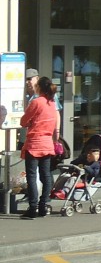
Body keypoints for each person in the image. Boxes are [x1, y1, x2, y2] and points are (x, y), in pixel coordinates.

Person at [20, 76, 58, 219]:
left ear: (39, 88)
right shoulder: (51, 103)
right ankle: (44, 205)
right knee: (46, 175)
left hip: (34, 143)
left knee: (31, 176)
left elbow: (24, 121)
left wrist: (30, 123)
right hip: (47, 143)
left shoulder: (36, 102)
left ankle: (33, 207)